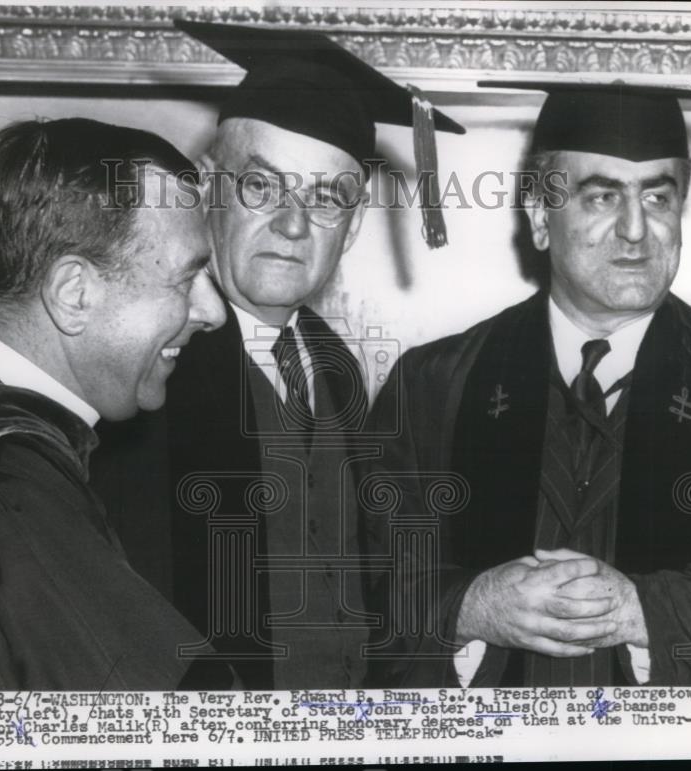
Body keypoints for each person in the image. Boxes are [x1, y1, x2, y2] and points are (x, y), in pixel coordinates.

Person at [362, 82, 691, 688]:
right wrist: (472, 606)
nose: (637, 230)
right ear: (540, 216)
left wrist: (639, 611)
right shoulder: (432, 386)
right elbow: (364, 594)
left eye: (659, 197)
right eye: (601, 197)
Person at [90, 20, 464, 689]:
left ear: (349, 232)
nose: (294, 225)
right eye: (262, 187)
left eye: (327, 200)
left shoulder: (337, 365)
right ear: (208, 186)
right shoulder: (139, 366)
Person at [0, 118, 228, 690]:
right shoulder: (1, 485)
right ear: (74, 293)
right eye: (186, 278)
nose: (212, 312)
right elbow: (178, 722)